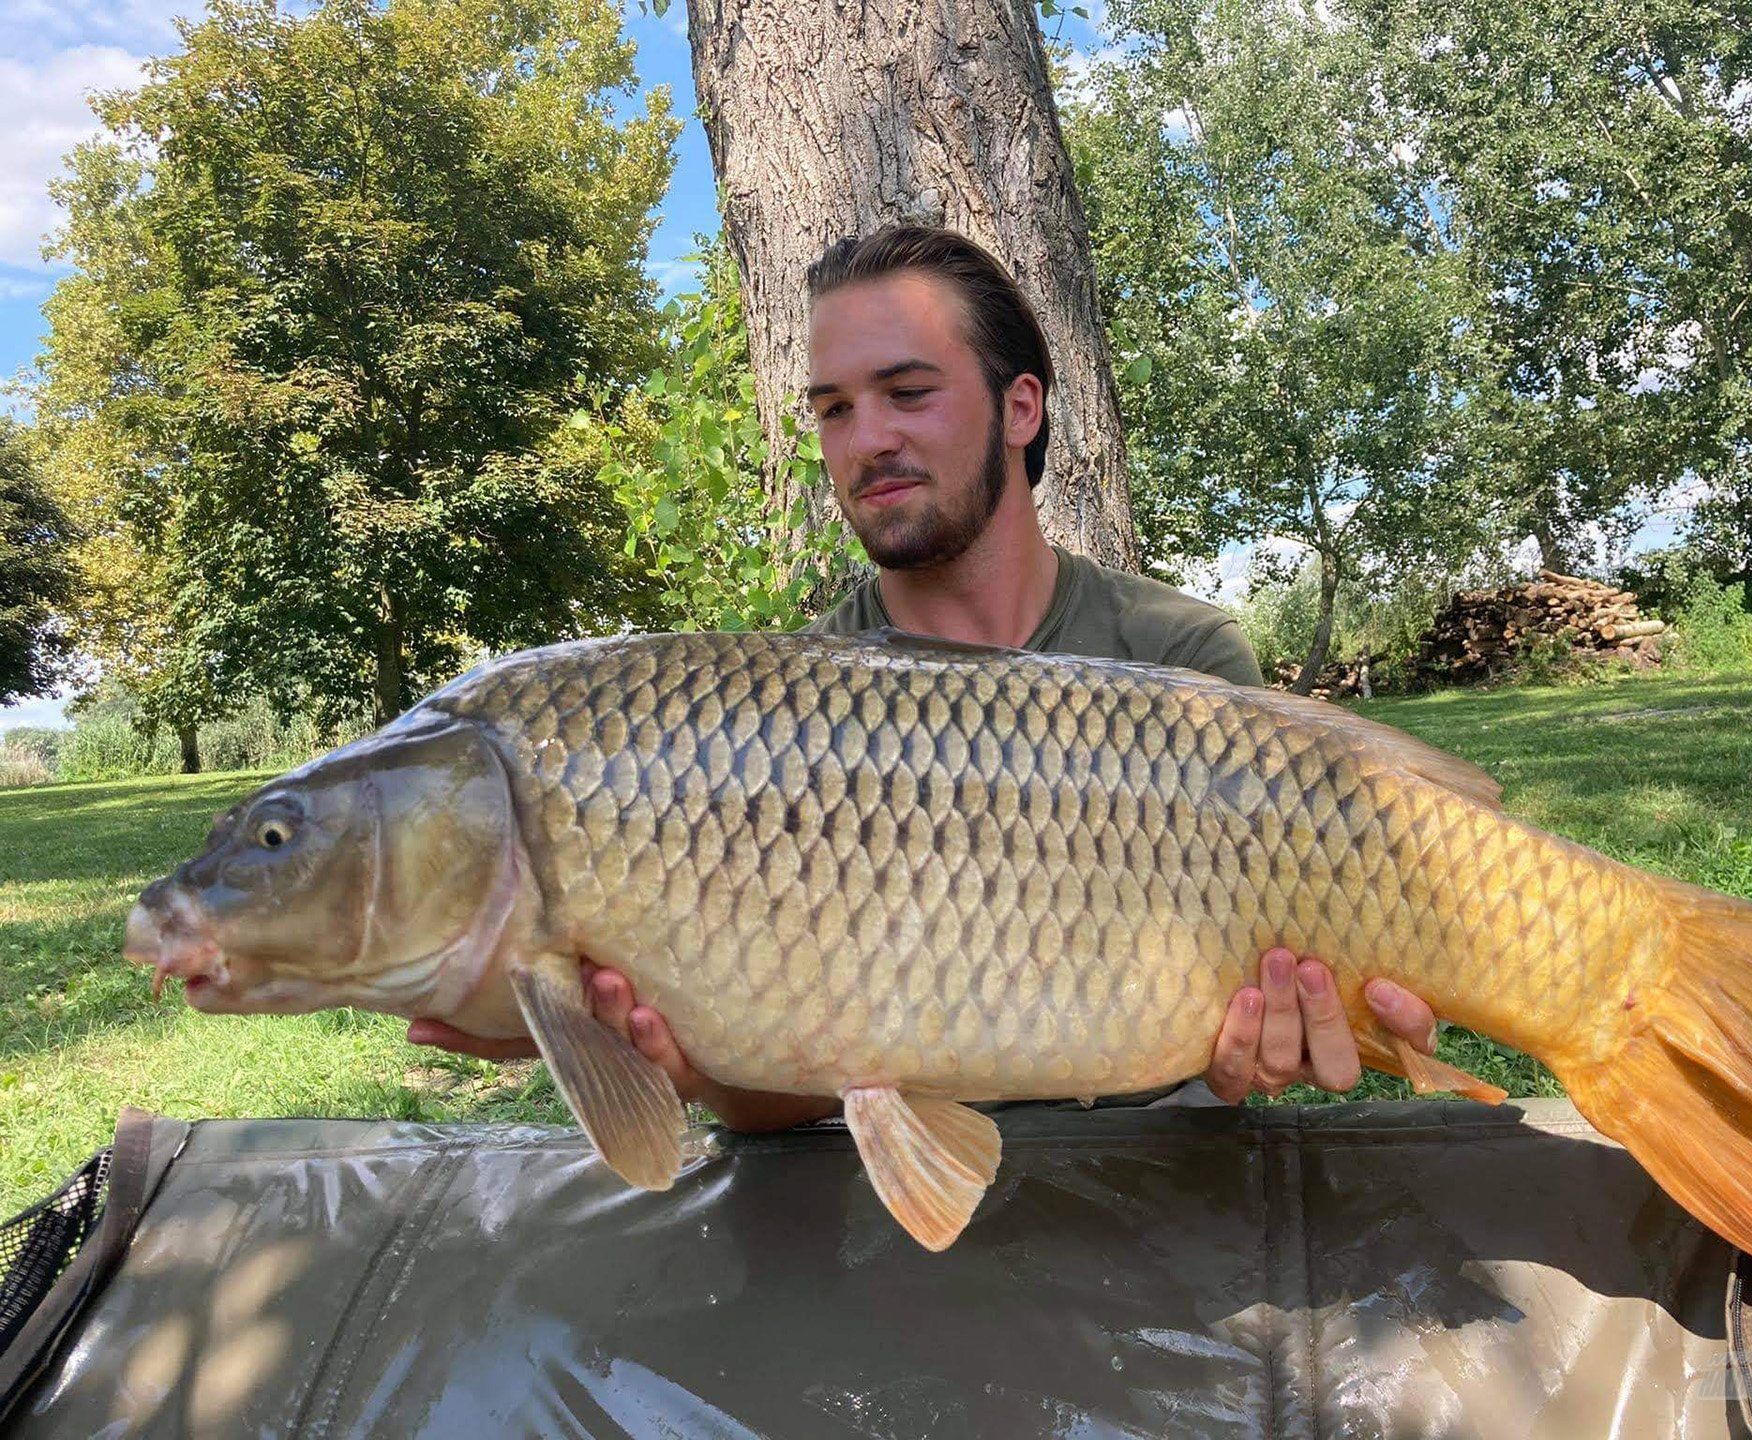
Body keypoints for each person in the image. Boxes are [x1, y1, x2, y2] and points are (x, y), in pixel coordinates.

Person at [412, 226, 1438, 1125]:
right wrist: (692, 1067)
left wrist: (1267, 1049)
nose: (869, 441)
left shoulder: (1177, 657)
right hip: (880, 1214)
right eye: (834, 409)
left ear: (1021, 406)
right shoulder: (782, 716)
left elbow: (1253, 1039)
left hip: (1150, 1177)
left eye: (907, 392)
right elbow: (786, 1100)